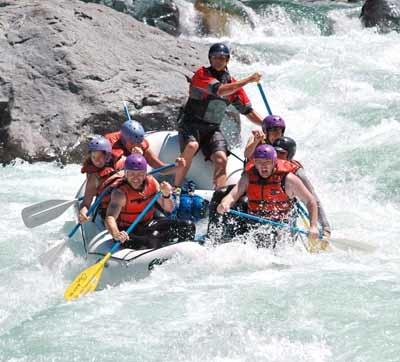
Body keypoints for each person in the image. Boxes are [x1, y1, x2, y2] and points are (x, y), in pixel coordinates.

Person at [174, 42, 264, 191]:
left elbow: (247, 111)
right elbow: (220, 91)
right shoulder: (202, 74)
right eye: (215, 57)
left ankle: (219, 196)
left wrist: (267, 125)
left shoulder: (233, 84)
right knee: (192, 146)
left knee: (221, 158)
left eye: (222, 58)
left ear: (227, 60)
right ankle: (175, 187)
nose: (218, 60)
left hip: (212, 129)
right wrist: (248, 80)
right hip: (190, 124)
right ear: (210, 59)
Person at [215, 144, 323, 249]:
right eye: (259, 162)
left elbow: (310, 201)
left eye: (267, 162)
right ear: (255, 163)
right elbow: (232, 196)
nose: (263, 166)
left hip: (282, 224)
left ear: (274, 162)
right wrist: (224, 204)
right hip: (255, 221)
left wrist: (313, 226)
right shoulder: (248, 177)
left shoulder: (289, 179)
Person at [104, 154, 196, 250]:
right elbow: (110, 217)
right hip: (129, 230)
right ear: (126, 174)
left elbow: (169, 208)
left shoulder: (152, 183)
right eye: (132, 174)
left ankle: (182, 254)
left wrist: (166, 195)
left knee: (188, 226)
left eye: (140, 174)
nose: (136, 178)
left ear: (145, 174)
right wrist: (116, 234)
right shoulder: (120, 193)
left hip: (148, 223)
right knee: (153, 239)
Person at [272, 136, 331, 241]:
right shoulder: (264, 165)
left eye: (281, 153)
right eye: (275, 152)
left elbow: (312, 198)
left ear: (290, 155)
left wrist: (325, 227)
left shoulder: (297, 172)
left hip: (286, 212)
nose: (277, 156)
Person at [104, 119, 185, 172]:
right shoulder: (110, 144)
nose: (136, 146)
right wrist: (134, 157)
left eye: (138, 142)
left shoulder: (142, 145)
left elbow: (161, 168)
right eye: (132, 143)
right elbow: (119, 169)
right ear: (124, 140)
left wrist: (176, 166)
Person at [78, 136, 117, 224]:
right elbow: (86, 203)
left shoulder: (120, 163)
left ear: (107, 156)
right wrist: (83, 212)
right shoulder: (94, 177)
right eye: (93, 157)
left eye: (99, 157)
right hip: (108, 211)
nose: (96, 161)